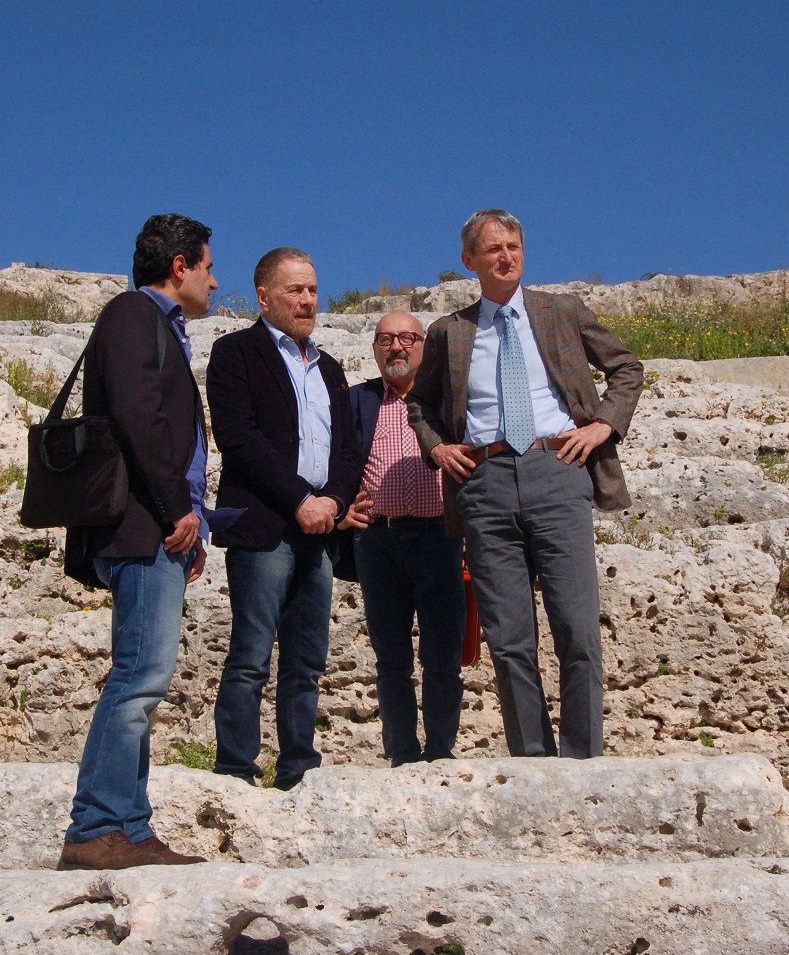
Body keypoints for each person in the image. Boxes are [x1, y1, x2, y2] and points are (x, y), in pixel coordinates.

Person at [406, 209, 644, 759]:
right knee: (510, 638)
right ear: (469, 261)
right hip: (484, 482)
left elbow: (626, 367)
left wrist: (604, 423)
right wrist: (436, 446)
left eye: (513, 245)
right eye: (492, 249)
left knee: (578, 628)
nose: (506, 256)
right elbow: (419, 403)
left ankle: (584, 760)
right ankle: (533, 762)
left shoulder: (561, 311)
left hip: (557, 471)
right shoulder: (450, 332)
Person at [58, 213, 218, 870]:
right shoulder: (131, 314)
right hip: (142, 526)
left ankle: (130, 826)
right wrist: (179, 509)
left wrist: (193, 525)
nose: (214, 279)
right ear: (179, 266)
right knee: (137, 678)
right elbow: (138, 417)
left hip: (161, 529)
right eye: (208, 265)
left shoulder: (155, 325)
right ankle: (97, 826)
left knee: (143, 683)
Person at [208, 247, 359, 790]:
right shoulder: (235, 354)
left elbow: (346, 450)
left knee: (307, 658)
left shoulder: (330, 367)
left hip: (319, 530)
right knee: (251, 655)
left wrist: (334, 503)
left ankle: (298, 766)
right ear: (264, 296)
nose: (307, 300)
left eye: (313, 290)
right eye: (295, 290)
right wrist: (300, 499)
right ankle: (236, 769)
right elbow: (240, 439)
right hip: (266, 526)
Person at [338, 312, 466, 765]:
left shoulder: (448, 402)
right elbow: (333, 459)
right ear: (374, 349)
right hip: (378, 543)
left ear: (425, 348)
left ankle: (441, 753)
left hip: (440, 538)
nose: (397, 347)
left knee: (443, 657)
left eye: (408, 338)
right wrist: (339, 505)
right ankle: (402, 756)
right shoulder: (356, 401)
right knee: (390, 658)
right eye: (386, 339)